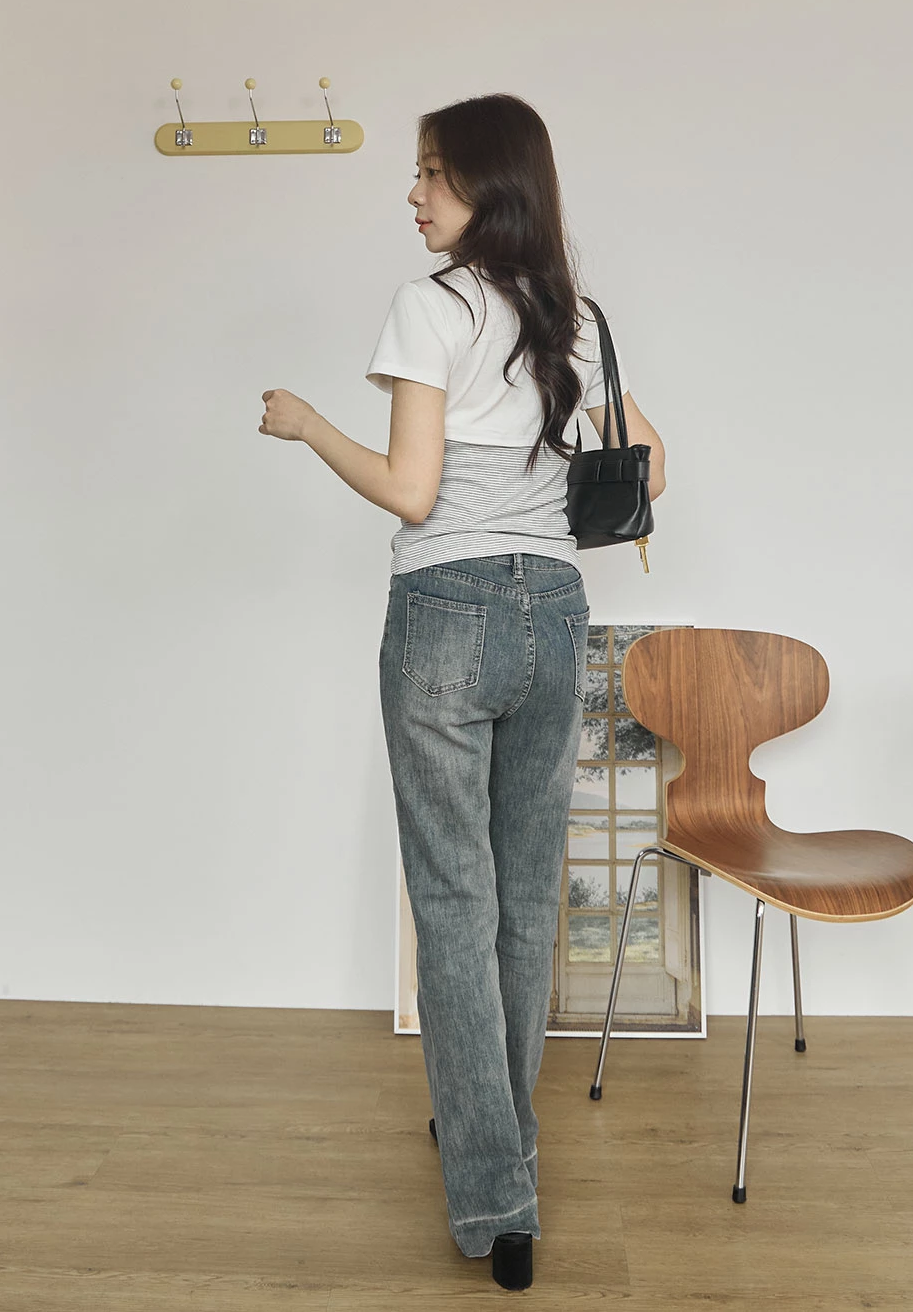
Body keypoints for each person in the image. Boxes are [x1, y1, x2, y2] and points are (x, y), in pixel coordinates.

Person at [258, 92, 666, 1290]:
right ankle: (498, 1132)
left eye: (431, 171)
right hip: (555, 614)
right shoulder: (574, 317)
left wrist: (309, 425)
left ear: (487, 185)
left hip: (446, 611)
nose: (413, 192)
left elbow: (411, 491)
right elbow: (652, 467)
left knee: (451, 901)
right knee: (524, 898)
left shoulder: (430, 305)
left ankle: (495, 1198)